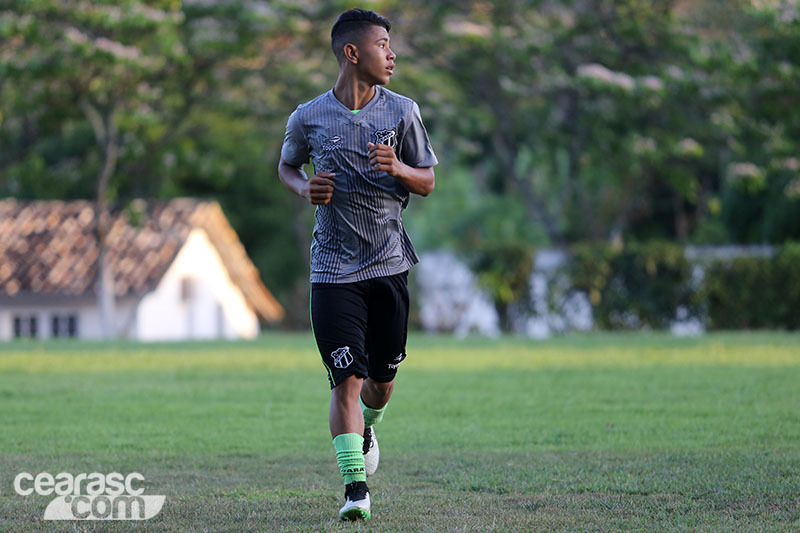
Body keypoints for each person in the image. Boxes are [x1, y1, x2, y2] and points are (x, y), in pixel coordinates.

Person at [277, 7, 438, 522]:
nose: (391, 54)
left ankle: (369, 424)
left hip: (388, 265)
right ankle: (355, 489)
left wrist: (399, 168)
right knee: (345, 379)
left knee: (381, 380)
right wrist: (305, 186)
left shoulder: (402, 111)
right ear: (353, 52)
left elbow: (429, 181)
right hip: (332, 272)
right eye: (382, 45)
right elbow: (286, 164)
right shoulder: (307, 116)